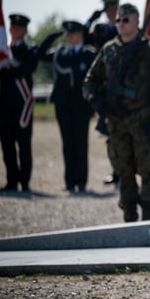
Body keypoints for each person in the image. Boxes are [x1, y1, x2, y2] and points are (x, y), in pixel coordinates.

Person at [84, 3, 150, 221]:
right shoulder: (109, 49)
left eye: (126, 20)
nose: (120, 24)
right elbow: (90, 81)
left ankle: (149, 218)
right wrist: (97, 102)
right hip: (117, 122)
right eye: (118, 20)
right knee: (124, 172)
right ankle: (129, 217)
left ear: (137, 21)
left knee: (148, 172)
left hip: (144, 121)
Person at [42, 21, 97, 192]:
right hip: (63, 106)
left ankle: (81, 182)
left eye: (71, 33)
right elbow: (41, 54)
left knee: (81, 143)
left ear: (80, 34)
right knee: (68, 143)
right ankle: (69, 182)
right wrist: (53, 35)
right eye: (67, 34)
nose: (69, 37)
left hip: (82, 106)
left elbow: (97, 78)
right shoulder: (61, 53)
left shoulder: (89, 54)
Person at [0, 14, 40, 192]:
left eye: (19, 28)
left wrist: (13, 63)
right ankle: (12, 180)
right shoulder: (1, 53)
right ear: (9, 29)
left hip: (22, 106)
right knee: (7, 145)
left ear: (25, 30)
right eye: (13, 27)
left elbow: (28, 68)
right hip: (5, 106)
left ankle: (24, 181)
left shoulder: (29, 50)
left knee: (24, 146)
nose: (16, 30)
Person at [85, 0, 121, 186]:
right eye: (108, 10)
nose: (111, 12)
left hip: (124, 85)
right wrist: (91, 18)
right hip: (106, 85)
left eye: (114, 9)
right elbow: (81, 35)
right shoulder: (100, 29)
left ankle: (127, 172)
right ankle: (116, 171)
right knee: (110, 132)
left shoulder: (127, 28)